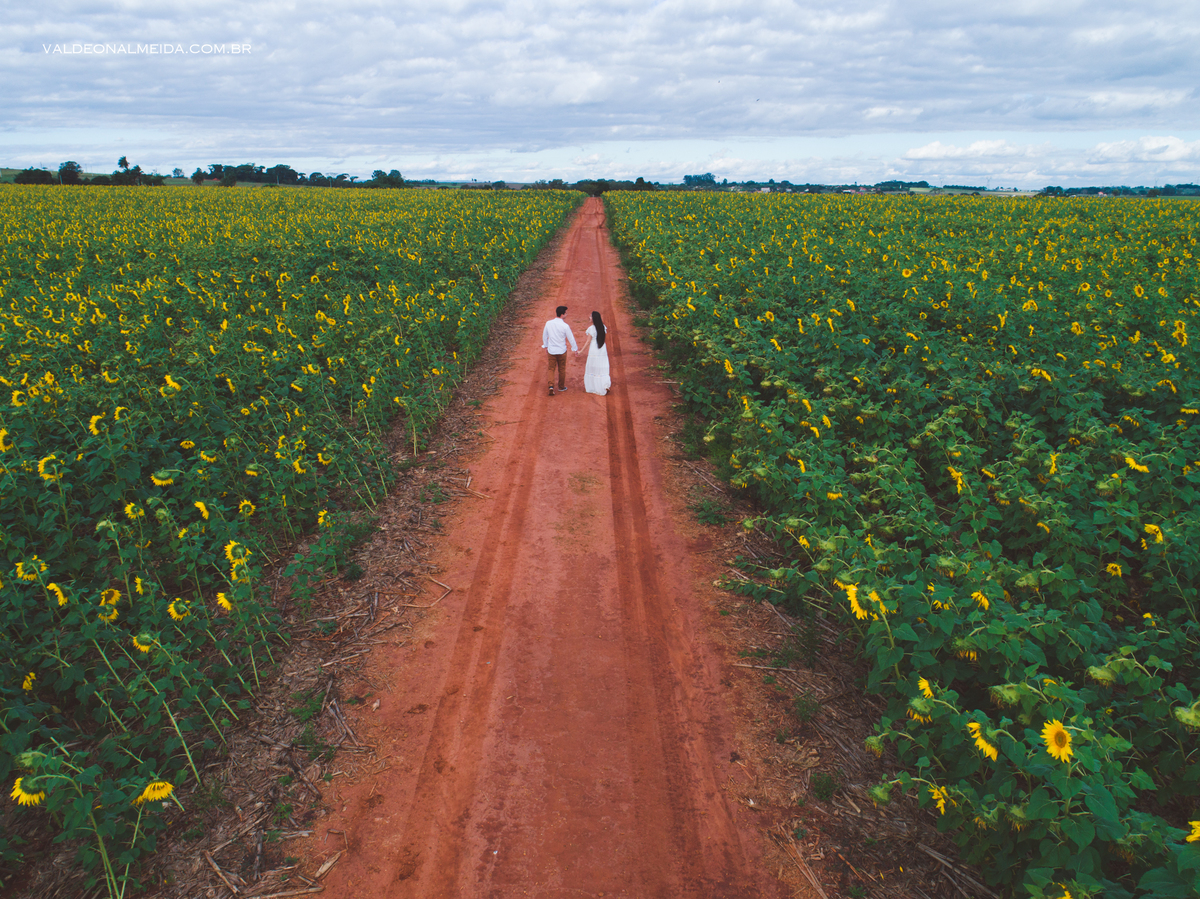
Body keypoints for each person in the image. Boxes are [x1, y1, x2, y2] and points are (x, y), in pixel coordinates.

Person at [541, 305, 578, 396]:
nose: (567, 314)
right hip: (562, 351)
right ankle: (561, 386)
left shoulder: (548, 323)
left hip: (551, 350)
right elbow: (571, 338)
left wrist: (545, 346)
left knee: (551, 368)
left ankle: (551, 386)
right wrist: (575, 349)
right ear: (562, 314)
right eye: (566, 313)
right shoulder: (565, 326)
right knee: (561, 369)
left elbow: (544, 336)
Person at [581, 310, 611, 396]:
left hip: (594, 349)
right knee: (602, 367)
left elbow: (587, 342)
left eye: (590, 316)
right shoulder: (603, 327)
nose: (589, 318)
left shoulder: (591, 329)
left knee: (593, 367)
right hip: (602, 349)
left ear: (594, 319)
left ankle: (594, 386)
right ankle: (605, 384)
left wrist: (581, 351)